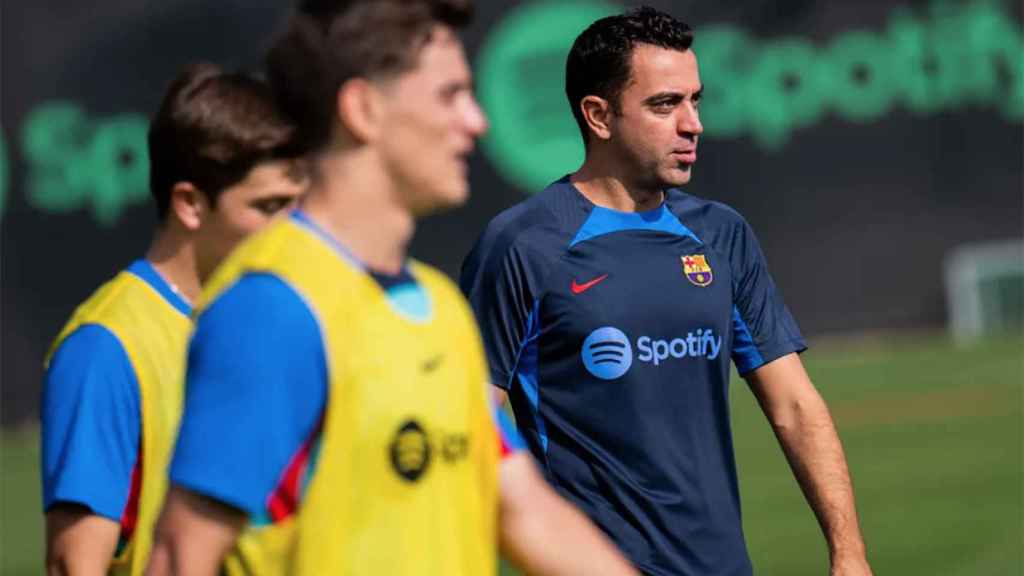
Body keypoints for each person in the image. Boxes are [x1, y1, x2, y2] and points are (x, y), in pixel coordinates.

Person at [146, 1, 637, 575]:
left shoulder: (437, 304)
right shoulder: (272, 307)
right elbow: (180, 557)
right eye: (449, 94)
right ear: (363, 109)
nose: (476, 121)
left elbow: (526, 511)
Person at [460, 6, 874, 576]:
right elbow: (467, 434)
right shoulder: (521, 246)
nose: (693, 123)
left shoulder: (720, 234)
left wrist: (849, 554)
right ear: (599, 116)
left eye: (694, 100)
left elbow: (796, 408)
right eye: (664, 105)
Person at [40, 63, 307, 576]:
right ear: (190, 204)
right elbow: (76, 565)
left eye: (298, 206)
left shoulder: (282, 317)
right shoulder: (105, 346)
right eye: (269, 206)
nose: (292, 229)